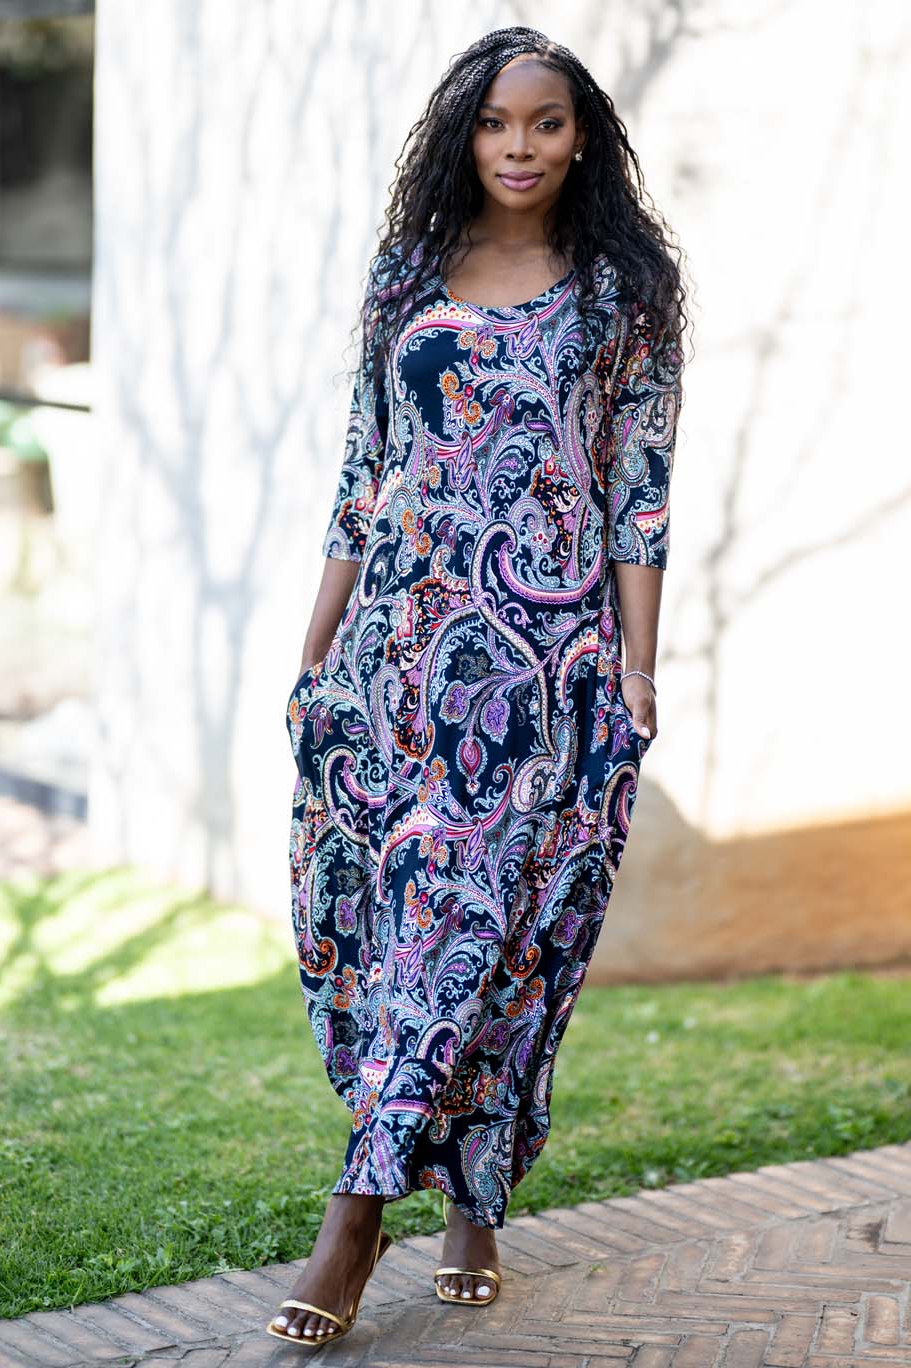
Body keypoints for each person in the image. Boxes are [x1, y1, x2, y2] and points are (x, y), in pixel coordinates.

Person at [267, 24, 689, 1349]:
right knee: (385, 929)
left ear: (583, 137)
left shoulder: (620, 292)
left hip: (541, 667)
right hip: (397, 654)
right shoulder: (407, 273)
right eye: (497, 123)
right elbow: (363, 468)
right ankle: (475, 1197)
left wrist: (635, 665)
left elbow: (638, 489)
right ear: (463, 135)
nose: (519, 147)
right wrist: (316, 649)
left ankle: (354, 1219)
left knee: (490, 930)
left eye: (546, 123)